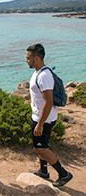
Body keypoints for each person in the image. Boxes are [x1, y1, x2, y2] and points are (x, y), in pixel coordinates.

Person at [26, 43, 73, 187]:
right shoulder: (38, 72)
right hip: (39, 117)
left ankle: (64, 174)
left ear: (37, 58)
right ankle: (43, 171)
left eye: (28, 57)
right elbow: (40, 95)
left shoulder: (44, 75)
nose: (26, 60)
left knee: (41, 148)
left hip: (44, 120)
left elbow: (48, 101)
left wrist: (40, 123)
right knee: (40, 146)